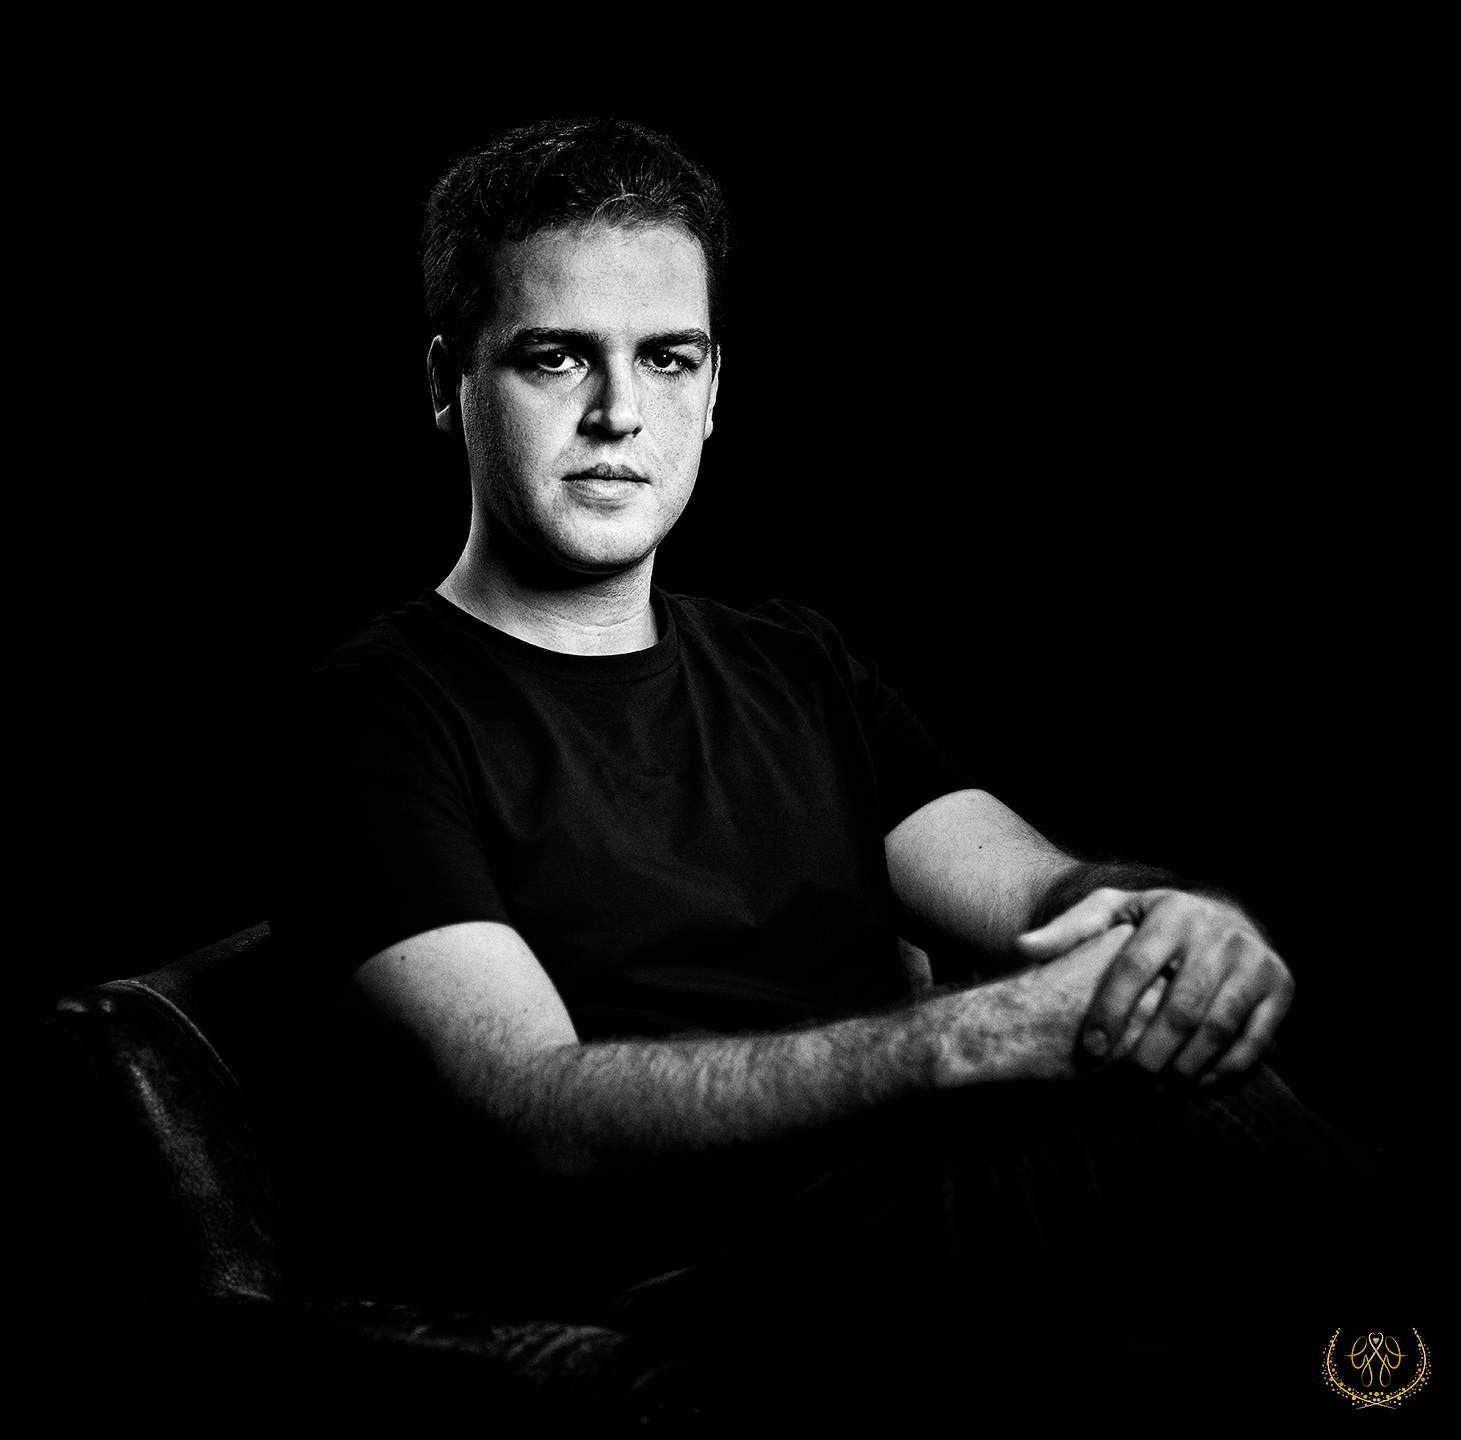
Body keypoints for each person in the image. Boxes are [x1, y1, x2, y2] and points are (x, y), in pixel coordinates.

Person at [273, 116, 1350, 1420]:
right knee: (1183, 1138)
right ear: (449, 381)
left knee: (1198, 1090)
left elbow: (1042, 894)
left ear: (714, 388)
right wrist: (971, 1038)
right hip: (682, 1299)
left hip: (913, 1225)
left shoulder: (794, 661)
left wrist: (1173, 925)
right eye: (555, 357)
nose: (618, 414)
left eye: (665, 358)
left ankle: (1388, 1392)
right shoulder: (374, 715)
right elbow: (534, 1115)